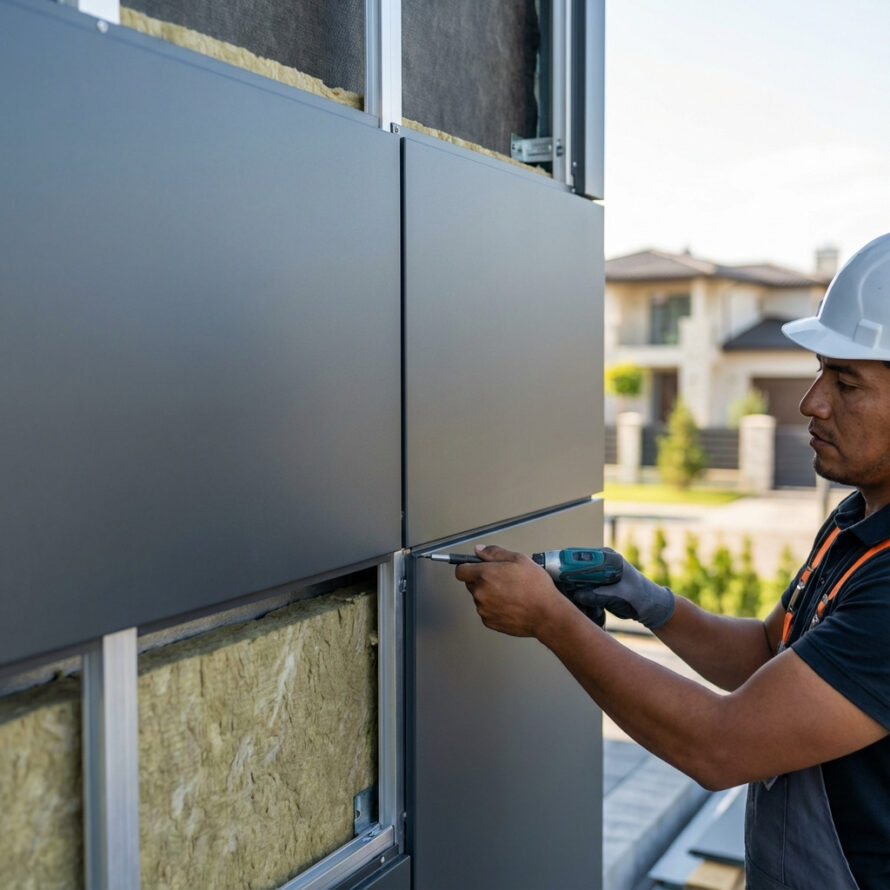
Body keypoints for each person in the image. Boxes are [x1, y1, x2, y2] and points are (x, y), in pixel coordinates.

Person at [456, 233, 890, 890]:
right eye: (821, 371)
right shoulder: (857, 522)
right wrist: (648, 599)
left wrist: (551, 621)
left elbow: (722, 746)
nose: (812, 402)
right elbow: (770, 654)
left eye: (846, 381)